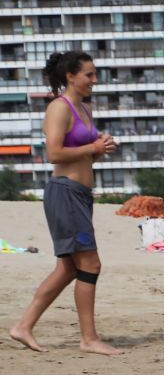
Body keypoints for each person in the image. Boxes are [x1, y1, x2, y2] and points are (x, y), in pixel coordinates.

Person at [10, 50, 121, 355]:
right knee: (90, 264)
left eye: (95, 74)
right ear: (71, 76)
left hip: (81, 195)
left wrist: (99, 150)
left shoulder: (85, 109)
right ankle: (88, 339)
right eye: (89, 74)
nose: (94, 81)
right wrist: (92, 146)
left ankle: (23, 327)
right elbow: (55, 154)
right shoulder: (59, 109)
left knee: (67, 269)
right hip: (65, 193)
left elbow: (85, 151)